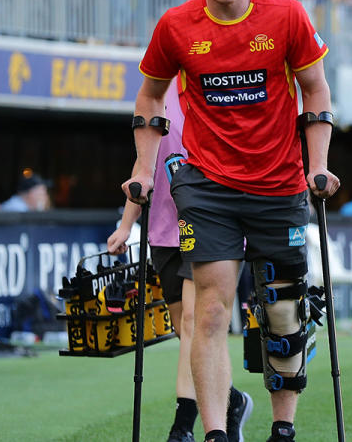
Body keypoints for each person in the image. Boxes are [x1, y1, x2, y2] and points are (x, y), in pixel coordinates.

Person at [122, 0, 338, 442]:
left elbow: (316, 91)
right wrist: (142, 169)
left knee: (284, 310)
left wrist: (317, 164)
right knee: (212, 309)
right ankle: (217, 433)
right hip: (208, 185)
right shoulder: (176, 26)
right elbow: (150, 98)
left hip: (279, 182)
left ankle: (283, 429)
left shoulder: (285, 15)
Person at [108, 80, 252, 442]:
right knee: (184, 329)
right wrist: (126, 225)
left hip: (210, 223)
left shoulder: (215, 83)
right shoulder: (156, 91)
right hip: (163, 228)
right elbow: (146, 163)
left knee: (194, 320)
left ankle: (183, 425)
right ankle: (231, 401)